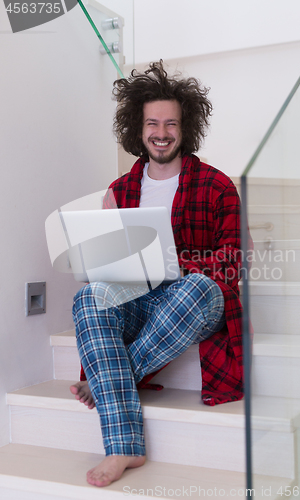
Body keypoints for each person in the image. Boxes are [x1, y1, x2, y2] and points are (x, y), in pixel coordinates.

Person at [70, 61, 244, 488]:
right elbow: (111, 267)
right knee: (89, 297)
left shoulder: (218, 186)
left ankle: (107, 382)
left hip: (194, 301)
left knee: (197, 287)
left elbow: (231, 262)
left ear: (186, 127)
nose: (161, 132)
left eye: (171, 123)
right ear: (138, 127)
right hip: (138, 301)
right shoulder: (119, 190)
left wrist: (175, 266)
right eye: (152, 123)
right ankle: (126, 445)